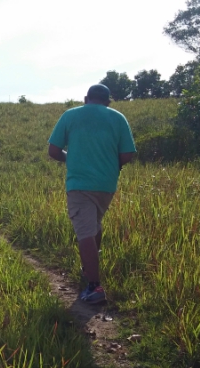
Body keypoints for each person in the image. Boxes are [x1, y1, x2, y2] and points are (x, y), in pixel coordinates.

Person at [47, 84, 136, 304]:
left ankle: (95, 286)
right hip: (106, 185)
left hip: (79, 183)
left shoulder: (71, 115)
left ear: (86, 98)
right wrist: (109, 165)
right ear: (108, 101)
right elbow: (127, 154)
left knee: (84, 232)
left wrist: (73, 158)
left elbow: (53, 151)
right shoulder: (118, 118)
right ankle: (89, 268)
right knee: (94, 225)